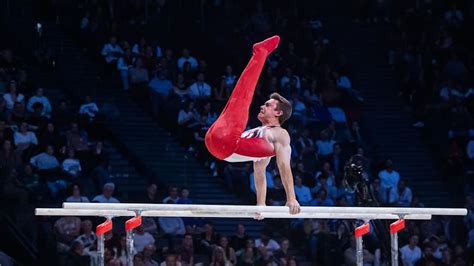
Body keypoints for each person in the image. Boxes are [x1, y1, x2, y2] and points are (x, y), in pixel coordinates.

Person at [204, 35, 300, 215]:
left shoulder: (280, 134)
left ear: (278, 113)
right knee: (236, 98)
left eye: (269, 105)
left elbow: (282, 166)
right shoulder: (260, 135)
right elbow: (259, 174)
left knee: (242, 95)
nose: (263, 106)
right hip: (216, 141)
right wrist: (261, 205)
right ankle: (260, 52)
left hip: (224, 143)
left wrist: (290, 198)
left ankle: (261, 51)